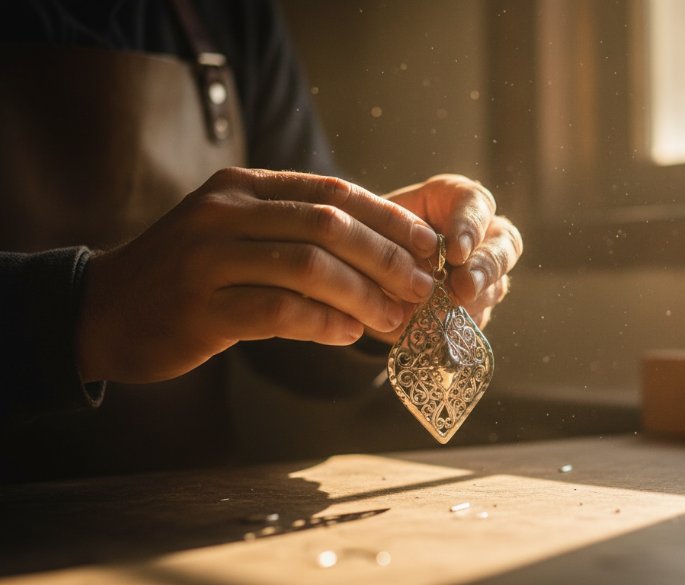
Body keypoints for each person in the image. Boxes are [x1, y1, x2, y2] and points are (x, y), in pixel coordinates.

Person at [0, 0, 522, 480]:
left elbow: (292, 349)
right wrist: (86, 310)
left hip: (185, 509)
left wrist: (379, 282)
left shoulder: (231, 14)